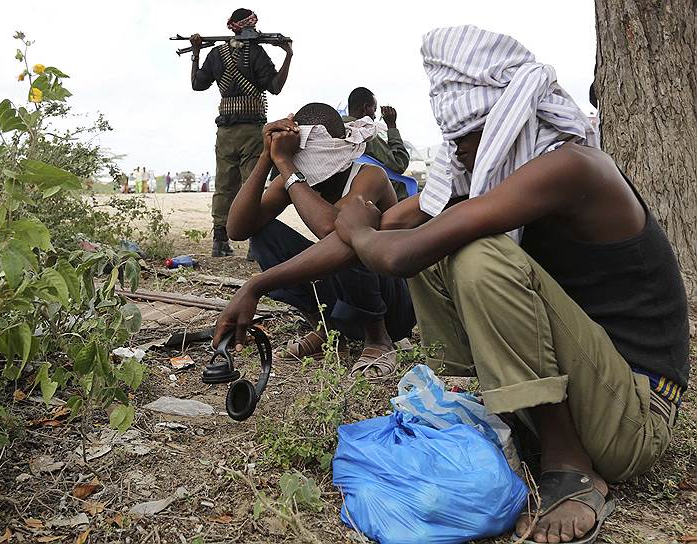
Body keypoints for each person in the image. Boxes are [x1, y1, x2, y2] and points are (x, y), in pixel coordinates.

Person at [214, 26, 688, 544]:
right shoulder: (479, 174)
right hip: (581, 391)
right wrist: (256, 286)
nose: (458, 154)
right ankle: (465, 416)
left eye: (467, 139)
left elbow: (395, 248)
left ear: (509, 123)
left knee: (473, 250)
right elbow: (378, 234)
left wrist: (358, 227)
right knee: (444, 241)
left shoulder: (573, 167)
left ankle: (569, 466)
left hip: (632, 415)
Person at [225, 102, 415, 378]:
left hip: (392, 307)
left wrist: (285, 167)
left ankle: (378, 339)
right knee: (264, 236)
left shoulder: (369, 177)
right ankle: (327, 330)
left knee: (350, 234)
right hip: (343, 298)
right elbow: (238, 229)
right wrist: (267, 156)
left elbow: (335, 228)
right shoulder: (294, 179)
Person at [190, 8, 294, 257]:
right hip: (252, 130)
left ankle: (220, 240)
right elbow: (275, 87)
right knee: (253, 183)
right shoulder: (255, 52)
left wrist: (196, 54)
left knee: (224, 184)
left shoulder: (216, 54)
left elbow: (197, 84)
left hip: (225, 131)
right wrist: (288, 56)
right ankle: (254, 244)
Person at [343, 87, 411, 201]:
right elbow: (399, 164)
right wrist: (392, 126)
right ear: (365, 108)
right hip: (387, 199)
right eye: (374, 110)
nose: (374, 116)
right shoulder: (363, 133)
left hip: (348, 193)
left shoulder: (338, 129)